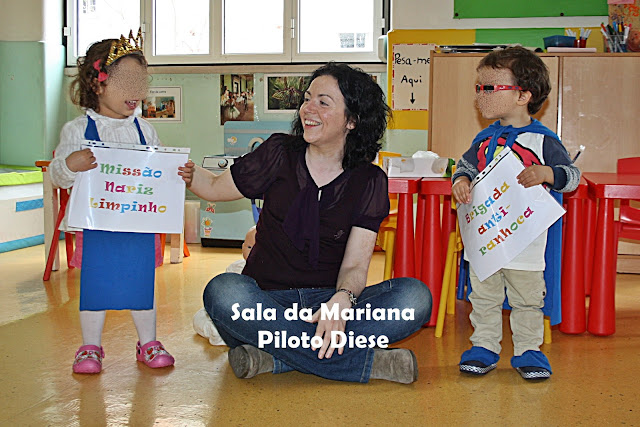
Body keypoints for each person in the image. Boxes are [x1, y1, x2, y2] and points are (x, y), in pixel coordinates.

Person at [179, 62, 431, 384]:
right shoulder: (278, 152)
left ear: (352, 120)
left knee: (414, 298)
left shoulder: (370, 180)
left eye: (323, 102)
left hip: (328, 305)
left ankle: (275, 356)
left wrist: (341, 301)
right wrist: (184, 172)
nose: (307, 109)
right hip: (266, 304)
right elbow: (214, 187)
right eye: (307, 98)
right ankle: (365, 364)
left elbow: (355, 265)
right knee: (223, 292)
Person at [451, 46, 581, 380]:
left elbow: (572, 177)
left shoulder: (543, 141)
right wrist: (461, 181)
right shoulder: (484, 139)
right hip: (486, 239)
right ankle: (483, 346)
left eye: (489, 88)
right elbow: (464, 167)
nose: (480, 95)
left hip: (526, 242)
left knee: (527, 299)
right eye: (478, 88)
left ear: (523, 95)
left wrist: (547, 173)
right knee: (484, 297)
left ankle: (528, 350)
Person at [49, 31, 175, 374]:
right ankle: (90, 346)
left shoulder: (145, 130)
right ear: (98, 83)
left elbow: (157, 174)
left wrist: (176, 173)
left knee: (141, 283)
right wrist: (69, 165)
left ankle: (148, 342)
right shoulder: (76, 130)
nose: (136, 91)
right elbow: (58, 176)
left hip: (138, 224)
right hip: (95, 226)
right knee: (95, 285)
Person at [192, 226, 257, 345]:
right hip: (230, 310)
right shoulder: (235, 267)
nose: (252, 252)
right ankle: (217, 332)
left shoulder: (270, 271)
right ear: (242, 247)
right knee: (200, 316)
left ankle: (229, 335)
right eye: (249, 247)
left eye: (258, 249)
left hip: (249, 314)